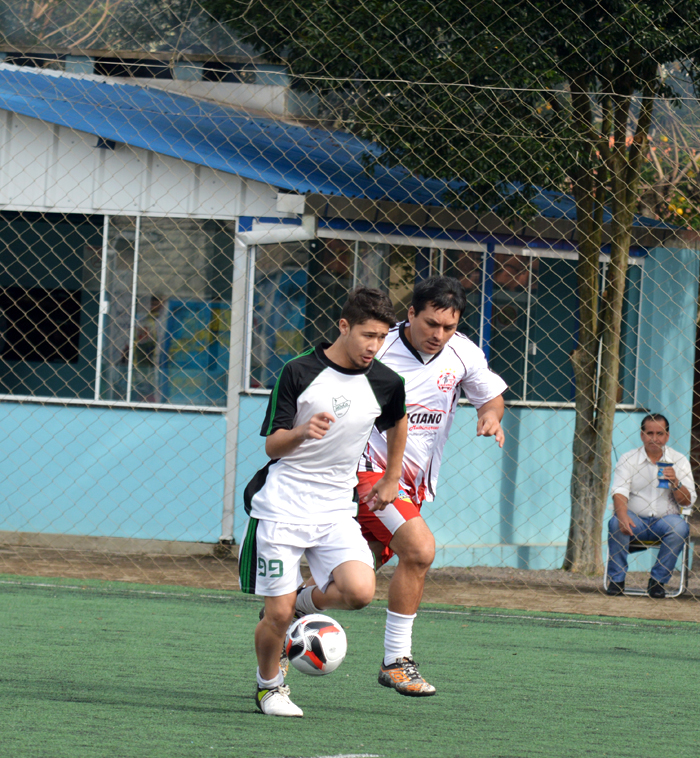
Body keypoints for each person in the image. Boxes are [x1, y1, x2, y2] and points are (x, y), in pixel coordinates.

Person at [239, 287, 408, 717]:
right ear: (344, 326)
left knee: (359, 591)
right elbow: (273, 446)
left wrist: (391, 477)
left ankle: (301, 601)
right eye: (367, 335)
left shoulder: (387, 382)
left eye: (382, 337)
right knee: (275, 618)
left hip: (335, 509)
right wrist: (302, 431)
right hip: (282, 507)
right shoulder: (298, 372)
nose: (374, 345)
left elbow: (397, 421)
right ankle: (269, 686)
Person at [356, 276, 507, 696]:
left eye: (448, 327)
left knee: (355, 584)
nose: (438, 335)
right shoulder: (377, 348)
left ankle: (294, 606)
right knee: (420, 550)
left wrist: (491, 415)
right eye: (430, 324)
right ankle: (395, 661)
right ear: (410, 314)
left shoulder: (462, 352)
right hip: (367, 472)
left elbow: (490, 395)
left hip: (413, 487)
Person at [606, 413, 696, 598]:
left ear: (667, 436)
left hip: (666, 520)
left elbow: (688, 501)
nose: (654, 438)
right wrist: (622, 516)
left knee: (680, 527)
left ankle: (657, 582)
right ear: (642, 435)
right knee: (615, 523)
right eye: (649, 433)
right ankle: (616, 580)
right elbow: (619, 491)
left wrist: (676, 483)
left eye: (659, 433)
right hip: (635, 519)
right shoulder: (628, 459)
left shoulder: (679, 461)